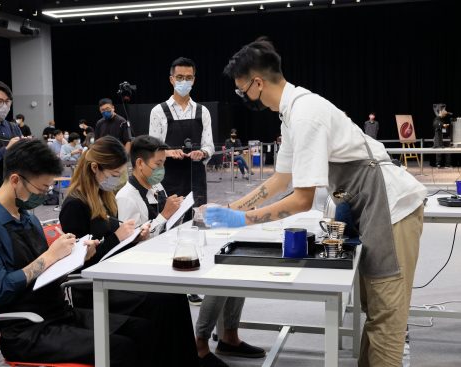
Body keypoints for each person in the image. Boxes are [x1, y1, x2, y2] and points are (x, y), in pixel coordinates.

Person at [206, 38, 427, 367]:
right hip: (370, 206)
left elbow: (301, 199)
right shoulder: (292, 112)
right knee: (376, 311)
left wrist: (242, 222)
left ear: (257, 82)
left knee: (386, 318)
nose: (243, 98)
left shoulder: (305, 114)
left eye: (242, 91)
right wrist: (233, 209)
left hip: (391, 209)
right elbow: (280, 180)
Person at [0, 139, 156, 366]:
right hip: (27, 330)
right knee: (120, 348)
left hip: (60, 314)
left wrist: (76, 258)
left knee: (143, 330)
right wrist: (50, 256)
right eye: (41, 189)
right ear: (15, 180)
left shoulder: (28, 219)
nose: (44, 196)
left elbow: (46, 273)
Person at [59, 136, 198, 367]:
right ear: (95, 168)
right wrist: (118, 237)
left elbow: (115, 237)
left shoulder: (103, 198)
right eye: (115, 174)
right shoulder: (75, 205)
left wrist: (134, 236)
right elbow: (77, 263)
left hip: (114, 276)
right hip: (94, 288)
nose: (118, 180)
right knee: (161, 302)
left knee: (174, 295)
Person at [149, 57, 215, 219]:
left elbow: (209, 146)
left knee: (197, 223)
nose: (184, 81)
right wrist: (169, 153)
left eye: (188, 77)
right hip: (167, 180)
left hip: (196, 180)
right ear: (172, 79)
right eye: (179, 77)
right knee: (169, 226)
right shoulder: (158, 111)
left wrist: (203, 153)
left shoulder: (203, 111)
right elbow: (150, 150)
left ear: (194, 80)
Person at [116, 135, 183, 237]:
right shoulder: (126, 197)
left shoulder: (157, 185)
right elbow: (131, 241)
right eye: (158, 164)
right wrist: (165, 215)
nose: (162, 169)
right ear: (140, 163)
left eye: (163, 163)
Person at [433, 104, 452, 168]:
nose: (444, 111)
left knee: (448, 151)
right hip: (439, 137)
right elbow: (435, 124)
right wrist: (442, 125)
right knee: (438, 151)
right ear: (440, 111)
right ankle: (438, 164)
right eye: (443, 110)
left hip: (447, 136)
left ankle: (447, 164)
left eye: (445, 109)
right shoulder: (437, 118)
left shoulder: (447, 116)